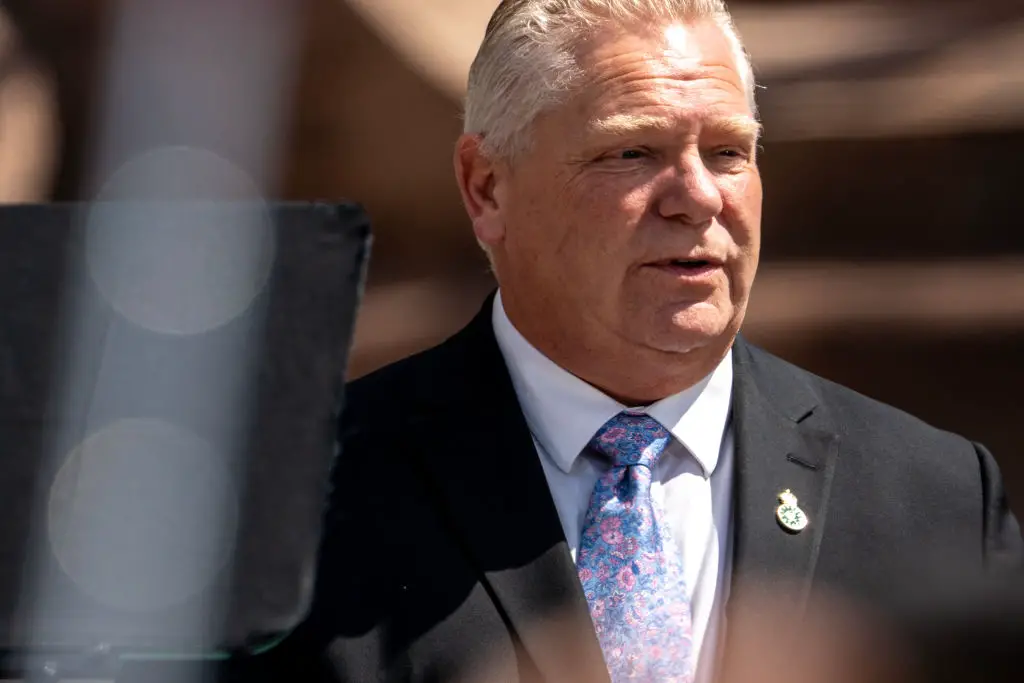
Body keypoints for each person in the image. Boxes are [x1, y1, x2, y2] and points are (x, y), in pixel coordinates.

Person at [236, 1, 1023, 681]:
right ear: (486, 187)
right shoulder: (299, 500)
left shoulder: (937, 496)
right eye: (632, 152)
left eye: (728, 152)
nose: (698, 197)